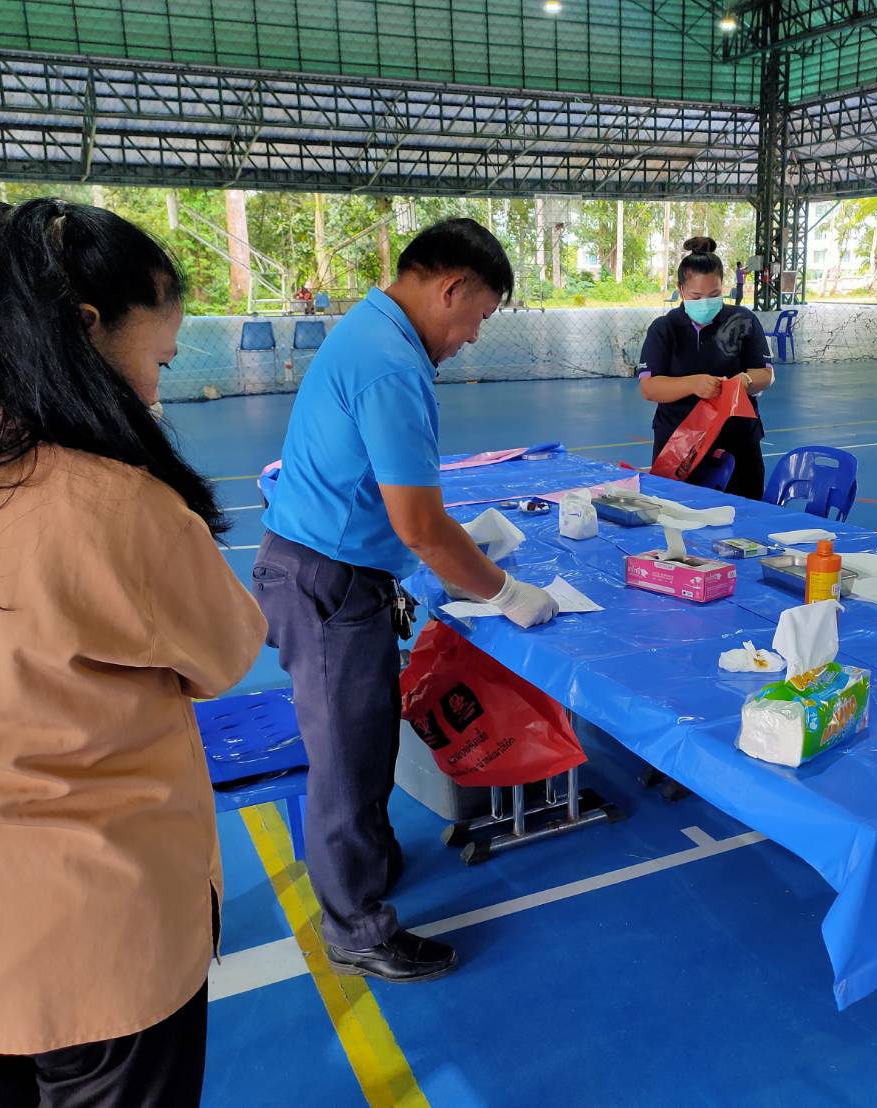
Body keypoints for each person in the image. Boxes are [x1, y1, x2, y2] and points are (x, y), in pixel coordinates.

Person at [0, 199, 267, 1106]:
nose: (155, 388)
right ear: (85, 327)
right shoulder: (111, 506)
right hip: (96, 951)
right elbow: (228, 655)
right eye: (155, 358)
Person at [257, 219, 558, 984]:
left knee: (365, 743)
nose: (471, 337)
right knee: (348, 762)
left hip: (329, 573)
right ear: (449, 287)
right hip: (327, 581)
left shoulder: (369, 331)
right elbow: (420, 525)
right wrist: (508, 591)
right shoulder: (391, 363)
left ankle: (366, 864)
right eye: (478, 316)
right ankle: (356, 925)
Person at [639, 235, 775, 499]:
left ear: (724, 287)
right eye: (696, 296)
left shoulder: (743, 321)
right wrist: (694, 383)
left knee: (745, 521)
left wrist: (744, 381)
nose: (705, 302)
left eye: (714, 295)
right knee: (677, 516)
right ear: (680, 289)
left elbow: (766, 375)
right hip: (679, 447)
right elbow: (649, 387)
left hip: (738, 443)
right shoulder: (664, 328)